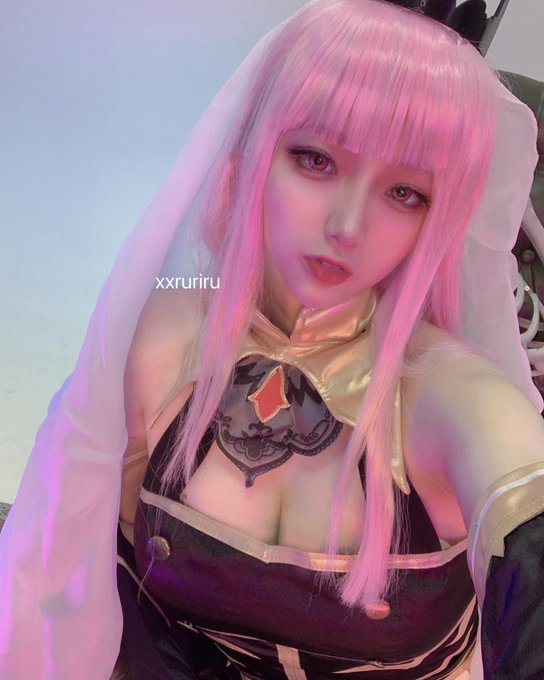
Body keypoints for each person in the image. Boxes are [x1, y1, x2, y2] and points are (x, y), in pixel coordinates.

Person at [1, 1, 544, 678]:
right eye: (315, 159)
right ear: (250, 156)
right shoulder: (164, 341)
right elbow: (76, 578)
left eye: (406, 193)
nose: (348, 225)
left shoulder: (455, 398)